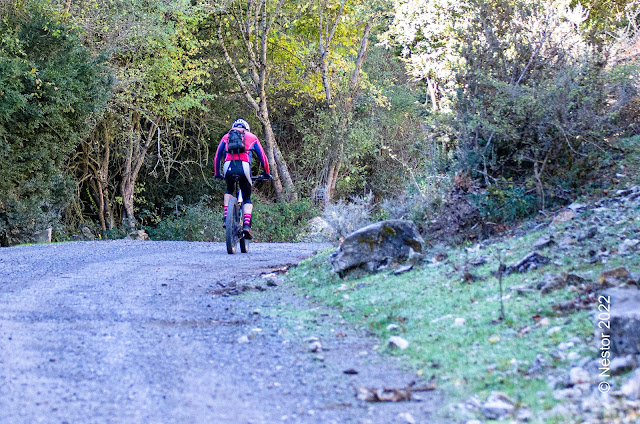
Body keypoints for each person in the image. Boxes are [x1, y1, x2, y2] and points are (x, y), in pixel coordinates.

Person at [214, 118, 271, 240]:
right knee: (247, 197)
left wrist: (217, 173)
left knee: (229, 190)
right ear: (247, 128)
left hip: (228, 166)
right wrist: (266, 173)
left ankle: (225, 218)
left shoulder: (226, 136)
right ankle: (246, 226)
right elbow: (263, 158)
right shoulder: (251, 137)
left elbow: (217, 156)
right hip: (244, 167)